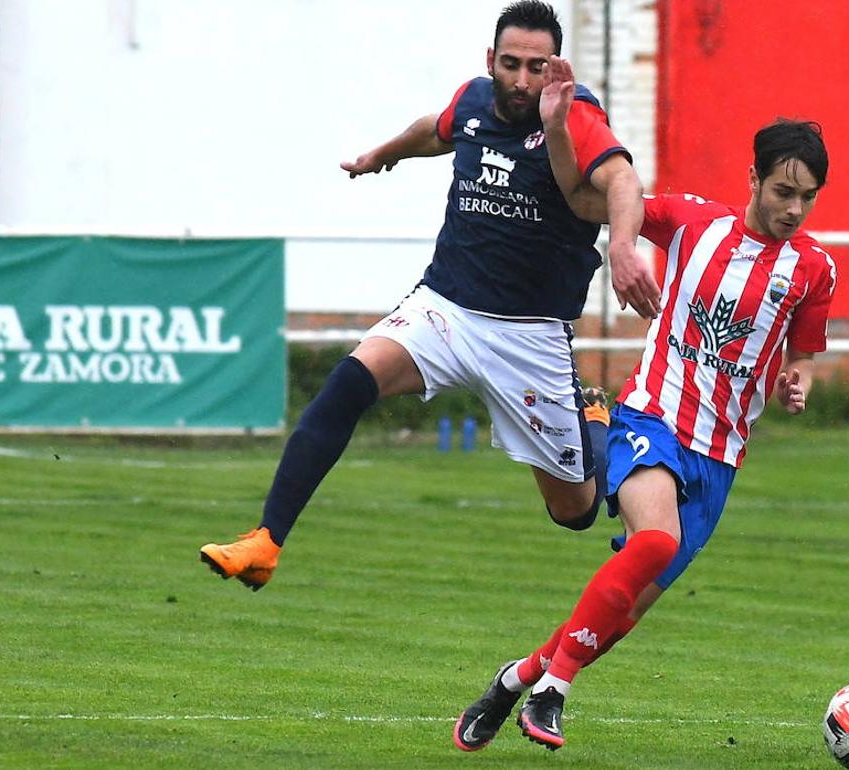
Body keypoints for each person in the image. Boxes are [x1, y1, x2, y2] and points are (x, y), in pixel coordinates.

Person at [200, 1, 662, 591]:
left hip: (529, 334)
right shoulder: (474, 100)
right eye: (512, 64)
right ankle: (266, 542)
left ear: (555, 67)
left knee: (574, 511)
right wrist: (381, 156)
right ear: (492, 60)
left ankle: (593, 421)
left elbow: (622, 177)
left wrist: (624, 247)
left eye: (537, 66)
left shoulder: (572, 117)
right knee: (348, 383)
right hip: (444, 307)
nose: (523, 80)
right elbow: (434, 129)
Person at [451, 55, 837, 752]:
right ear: (753, 178)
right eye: (783, 190)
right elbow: (583, 197)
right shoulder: (692, 221)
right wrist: (562, 126)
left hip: (719, 459)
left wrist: (798, 378)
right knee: (653, 540)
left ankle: (517, 679)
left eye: (806, 198)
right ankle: (553, 693)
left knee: (623, 611)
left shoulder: (813, 271)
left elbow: (803, 351)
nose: (793, 209)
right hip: (652, 418)